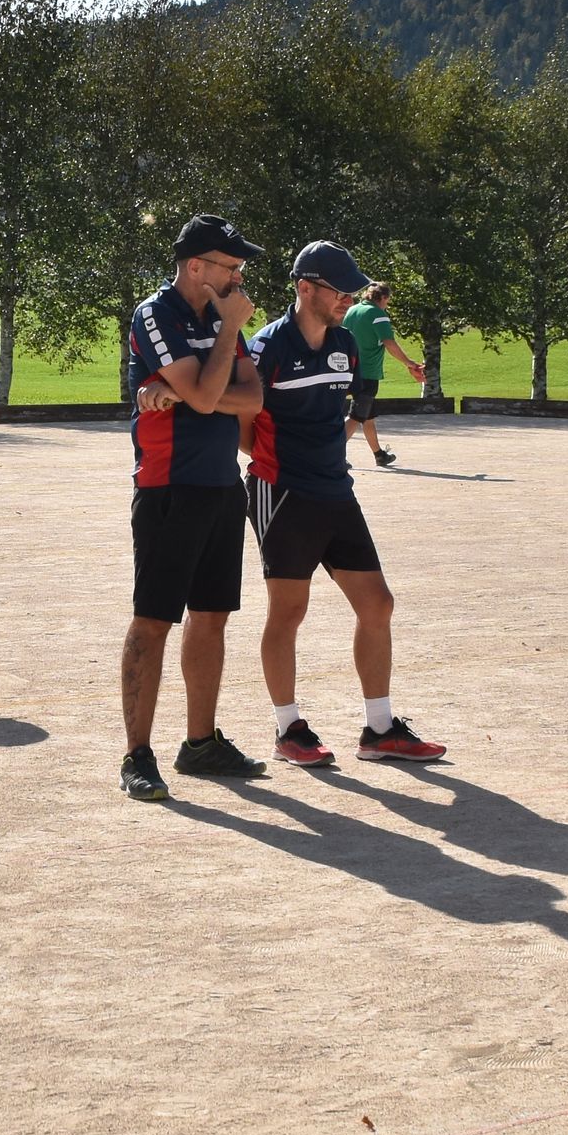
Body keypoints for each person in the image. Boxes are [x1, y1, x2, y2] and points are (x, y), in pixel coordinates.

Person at [246, 241, 443, 770]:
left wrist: (335, 448)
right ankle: (288, 730)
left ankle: (379, 730)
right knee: (289, 611)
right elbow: (242, 425)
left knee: (377, 603)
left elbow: (350, 407)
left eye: (352, 291)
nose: (348, 299)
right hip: (282, 491)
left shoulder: (345, 344)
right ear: (304, 288)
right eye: (339, 290)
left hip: (336, 489)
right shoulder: (267, 348)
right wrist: (279, 462)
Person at [118, 213, 269, 802]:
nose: (238, 278)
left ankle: (200, 744)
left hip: (221, 486)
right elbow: (208, 397)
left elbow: (252, 398)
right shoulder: (156, 314)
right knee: (154, 621)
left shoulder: (220, 316)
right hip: (169, 487)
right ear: (196, 267)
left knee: (211, 616)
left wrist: (190, 394)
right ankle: (137, 756)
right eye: (231, 267)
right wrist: (225, 340)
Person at [341, 281, 427, 471]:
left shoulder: (352, 310)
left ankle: (379, 454)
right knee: (356, 416)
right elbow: (389, 343)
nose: (387, 305)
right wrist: (409, 363)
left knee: (367, 416)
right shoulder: (377, 314)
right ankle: (333, 454)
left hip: (347, 369)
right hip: (367, 372)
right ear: (384, 297)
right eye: (388, 300)